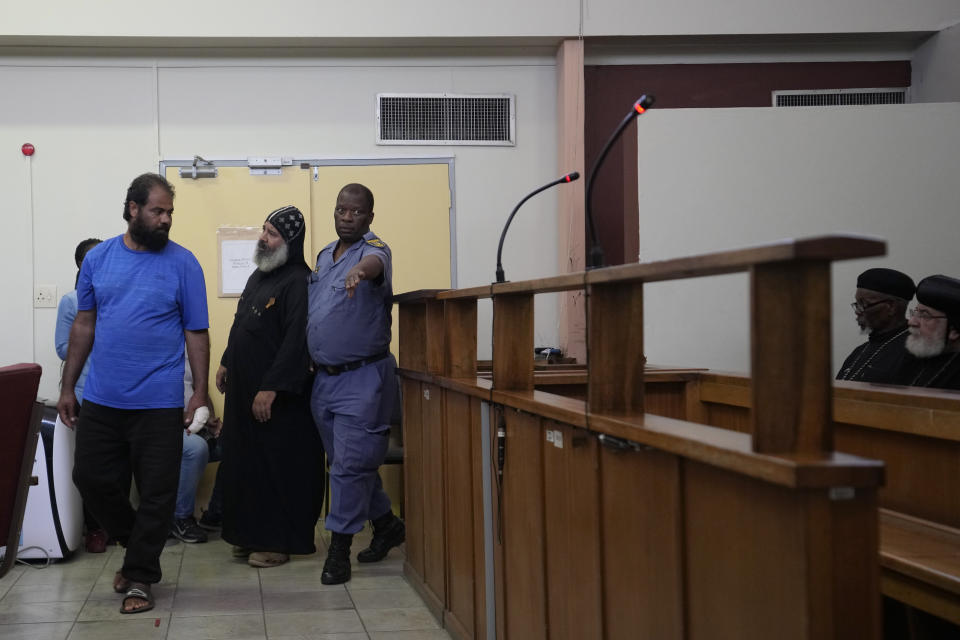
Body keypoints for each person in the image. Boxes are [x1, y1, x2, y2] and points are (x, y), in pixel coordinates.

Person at [57, 173, 209, 614]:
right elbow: (83, 324)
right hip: (104, 399)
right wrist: (68, 386)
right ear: (133, 209)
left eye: (169, 213)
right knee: (89, 477)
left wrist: (198, 392)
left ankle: (141, 575)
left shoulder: (184, 263)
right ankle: (134, 542)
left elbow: (195, 332)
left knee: (158, 492)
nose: (165, 220)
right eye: (157, 211)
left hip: (159, 403)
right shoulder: (99, 259)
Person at [308, 183, 405, 586]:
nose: (347, 217)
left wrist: (359, 272)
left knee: (348, 468)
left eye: (356, 212)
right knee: (351, 464)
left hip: (363, 378)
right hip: (323, 382)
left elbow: (375, 266)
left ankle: (339, 551)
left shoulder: (374, 250)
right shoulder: (323, 255)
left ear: (369, 217)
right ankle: (386, 523)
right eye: (341, 210)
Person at [216, 205, 323, 568]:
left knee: (279, 467)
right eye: (263, 230)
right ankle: (250, 535)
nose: (264, 238)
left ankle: (278, 542)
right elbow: (241, 320)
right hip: (245, 391)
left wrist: (271, 388)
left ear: (290, 241)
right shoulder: (260, 275)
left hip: (278, 400)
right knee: (246, 463)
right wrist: (227, 359)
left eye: (273, 233)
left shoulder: (299, 281)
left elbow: (297, 340)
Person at [55, 238, 109, 553]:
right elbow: (63, 347)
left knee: (118, 464)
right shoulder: (71, 300)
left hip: (115, 392)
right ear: (81, 265)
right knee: (90, 466)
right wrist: (89, 331)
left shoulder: (117, 295)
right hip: (83, 392)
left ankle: (116, 526)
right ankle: (94, 528)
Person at [170, 357, 222, 544]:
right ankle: (180, 517)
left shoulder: (190, 345)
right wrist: (185, 418)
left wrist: (211, 420)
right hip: (162, 427)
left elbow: (201, 392)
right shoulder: (153, 341)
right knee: (195, 449)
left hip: (195, 425)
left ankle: (216, 514)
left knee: (237, 442)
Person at [836, 268, 914, 383]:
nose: (857, 311)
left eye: (864, 304)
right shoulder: (860, 351)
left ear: (891, 307)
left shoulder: (914, 351)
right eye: (857, 304)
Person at [895, 274, 960, 390]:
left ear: (954, 331)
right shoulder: (910, 360)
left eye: (925, 316)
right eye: (915, 312)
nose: (911, 321)